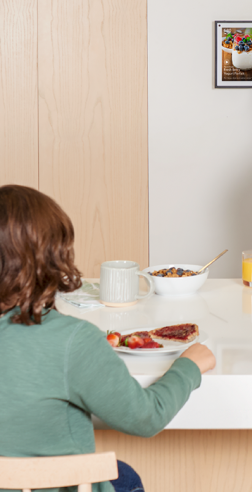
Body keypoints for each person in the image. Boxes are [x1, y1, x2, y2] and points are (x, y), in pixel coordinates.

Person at [0, 185, 216, 492]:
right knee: (124, 478)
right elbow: (145, 418)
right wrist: (189, 367)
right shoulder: (72, 340)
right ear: (52, 258)